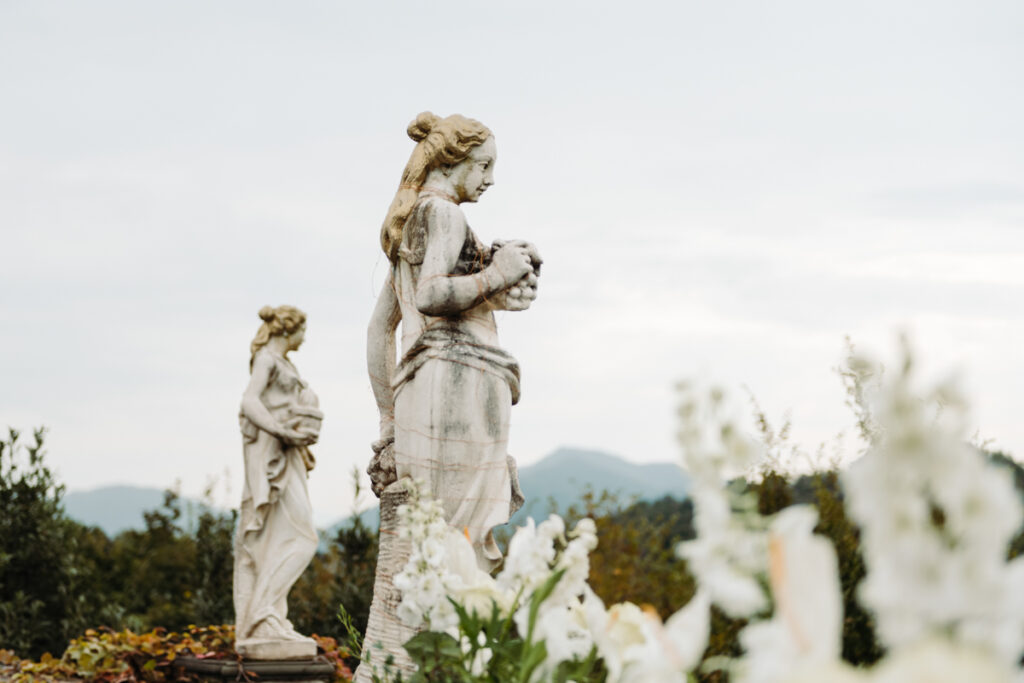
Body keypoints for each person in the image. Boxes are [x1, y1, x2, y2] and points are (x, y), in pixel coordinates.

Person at [367, 112, 538, 570]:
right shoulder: (443, 211)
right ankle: (451, 635)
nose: (491, 179)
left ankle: (423, 636)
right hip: (457, 379)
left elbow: (380, 329)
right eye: (483, 166)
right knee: (457, 534)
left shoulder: (413, 224)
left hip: (424, 390)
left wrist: (389, 419)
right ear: (450, 160)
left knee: (439, 528)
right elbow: (433, 295)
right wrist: (497, 274)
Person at [235, 305, 322, 654]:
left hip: (287, 458)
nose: (305, 336)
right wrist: (280, 429)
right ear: (290, 329)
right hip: (272, 458)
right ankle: (262, 614)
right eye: (304, 329)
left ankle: (268, 616)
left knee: (282, 537)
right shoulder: (267, 360)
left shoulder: (285, 364)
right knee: (303, 537)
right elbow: (249, 402)